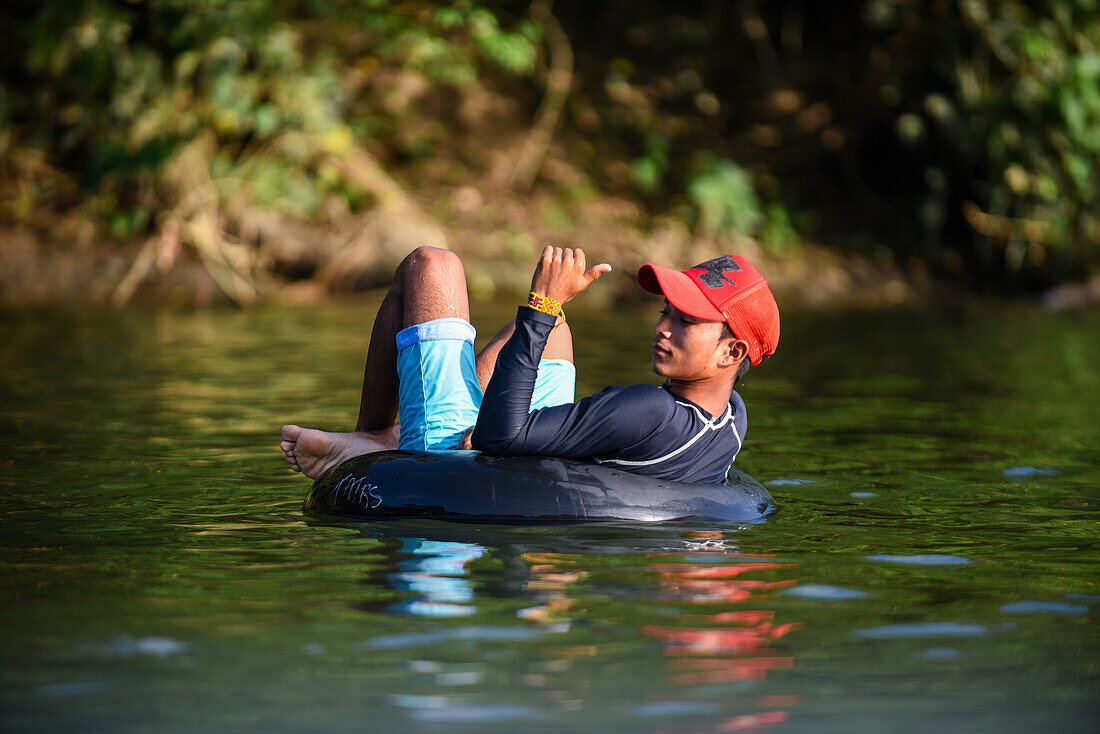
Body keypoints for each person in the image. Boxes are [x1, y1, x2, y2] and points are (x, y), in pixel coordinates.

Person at [281, 245, 779, 485]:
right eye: (664, 312)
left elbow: (500, 437)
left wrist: (542, 304)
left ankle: (375, 449)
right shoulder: (731, 416)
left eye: (686, 321)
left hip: (460, 463)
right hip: (530, 453)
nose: (662, 327)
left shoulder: (647, 408)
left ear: (731, 353)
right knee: (560, 332)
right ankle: (382, 440)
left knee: (432, 267)